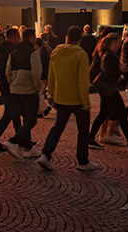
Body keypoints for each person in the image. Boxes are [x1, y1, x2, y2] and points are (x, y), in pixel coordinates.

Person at [37, 26, 99, 172]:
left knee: (58, 127)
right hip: (77, 99)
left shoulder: (56, 52)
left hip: (61, 97)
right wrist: (85, 102)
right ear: (80, 39)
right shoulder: (81, 54)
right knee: (83, 130)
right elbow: (82, 81)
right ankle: (83, 161)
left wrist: (51, 94)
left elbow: (51, 75)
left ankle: (46, 154)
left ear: (67, 36)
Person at [89, 32, 128, 150]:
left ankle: (90, 138)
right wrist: (122, 70)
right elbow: (110, 73)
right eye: (119, 42)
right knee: (122, 113)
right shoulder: (110, 55)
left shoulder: (105, 53)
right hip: (110, 89)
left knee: (104, 113)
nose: (120, 44)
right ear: (114, 42)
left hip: (106, 89)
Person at [5, 27, 43, 158]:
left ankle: (27, 147)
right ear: (32, 38)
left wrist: (13, 83)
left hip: (15, 89)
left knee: (24, 119)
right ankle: (14, 141)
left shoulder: (14, 52)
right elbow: (36, 73)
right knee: (31, 119)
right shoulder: (33, 53)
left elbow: (7, 72)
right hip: (29, 91)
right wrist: (38, 88)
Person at [0, 26, 22, 153]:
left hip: (4, 83)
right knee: (10, 112)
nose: (19, 38)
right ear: (13, 37)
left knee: (14, 112)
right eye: (18, 36)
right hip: (8, 84)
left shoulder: (3, 48)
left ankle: (22, 138)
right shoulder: (11, 50)